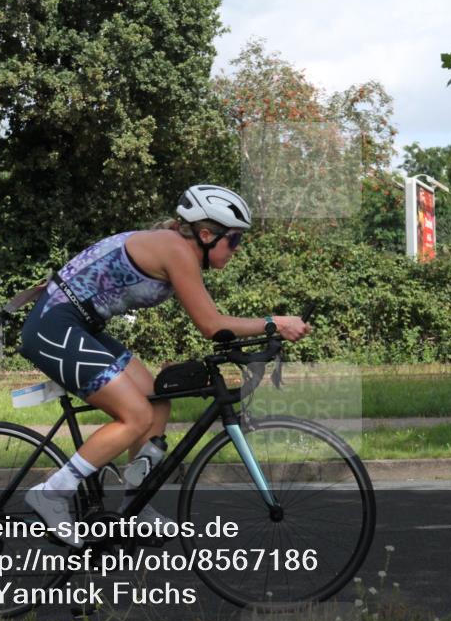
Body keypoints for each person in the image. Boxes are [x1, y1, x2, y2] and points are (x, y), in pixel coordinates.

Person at [18, 184, 311, 547]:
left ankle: (134, 508)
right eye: (233, 240)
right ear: (206, 235)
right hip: (54, 326)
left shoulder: (175, 246)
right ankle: (52, 492)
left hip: (76, 324)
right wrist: (275, 323)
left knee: (156, 400)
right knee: (136, 415)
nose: (236, 249)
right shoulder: (175, 250)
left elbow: (214, 324)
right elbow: (211, 325)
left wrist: (264, 332)